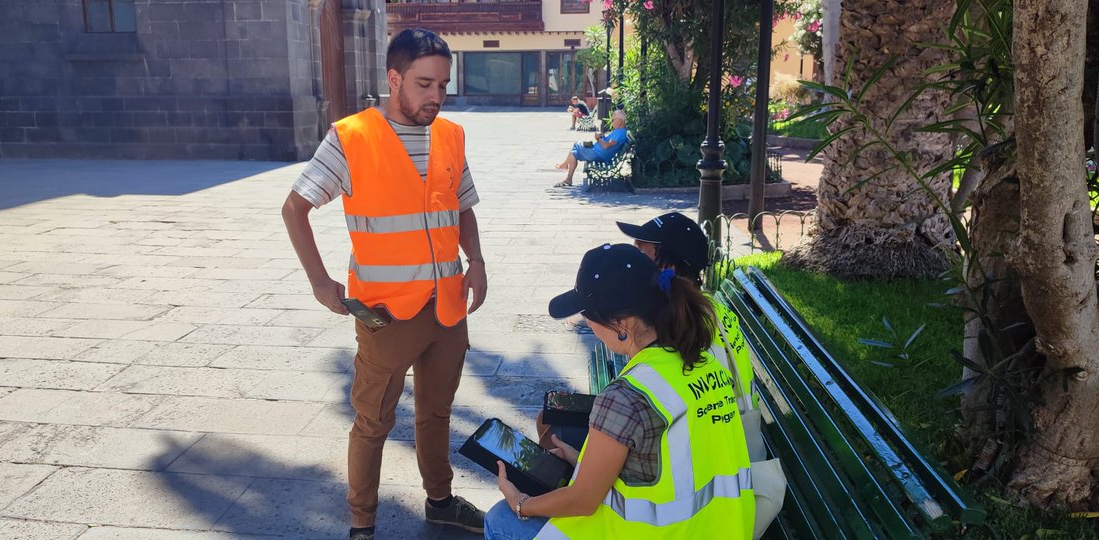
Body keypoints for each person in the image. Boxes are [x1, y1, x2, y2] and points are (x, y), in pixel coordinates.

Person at [281, 28, 488, 540]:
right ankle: (362, 525)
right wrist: (319, 283)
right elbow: (295, 207)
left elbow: (461, 206)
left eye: (443, 84)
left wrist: (477, 260)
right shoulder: (351, 137)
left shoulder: (451, 136)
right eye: (424, 84)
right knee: (373, 422)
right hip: (385, 314)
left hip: (447, 309)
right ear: (393, 79)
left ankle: (439, 501)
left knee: (437, 412)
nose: (436, 96)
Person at [484, 243, 755, 539]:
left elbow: (583, 501)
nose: (587, 323)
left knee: (500, 519)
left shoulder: (625, 397)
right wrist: (585, 463)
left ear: (620, 324)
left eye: (589, 315)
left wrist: (522, 503)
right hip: (725, 530)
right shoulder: (704, 364)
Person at [616, 212, 756, 408]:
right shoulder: (704, 306)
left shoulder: (678, 321)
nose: (633, 259)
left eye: (640, 251)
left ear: (669, 268)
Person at [552, 111, 629, 187]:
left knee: (575, 149)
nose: (611, 122)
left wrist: (598, 139)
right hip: (599, 152)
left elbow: (606, 146)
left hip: (599, 154)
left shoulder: (619, 133)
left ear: (619, 121)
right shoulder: (620, 131)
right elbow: (609, 143)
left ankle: (567, 174)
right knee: (575, 149)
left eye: (613, 120)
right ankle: (566, 170)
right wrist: (602, 137)